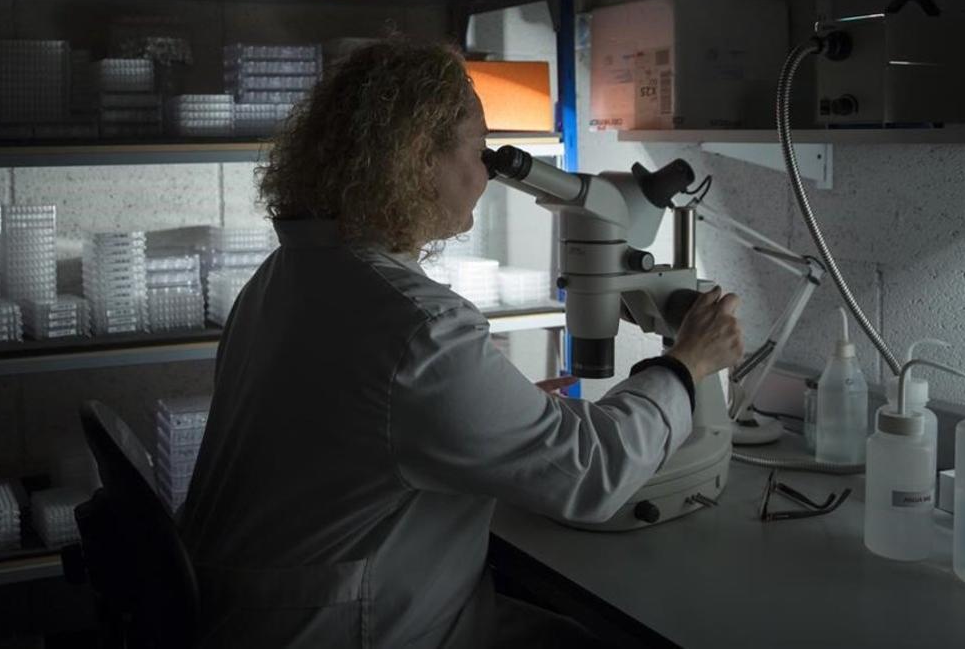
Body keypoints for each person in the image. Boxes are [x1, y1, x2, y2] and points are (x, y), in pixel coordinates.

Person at [178, 38, 743, 648]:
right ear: (419, 159)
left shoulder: (289, 275)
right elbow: (592, 474)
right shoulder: (415, 328)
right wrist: (687, 364)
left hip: (260, 611)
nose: (485, 175)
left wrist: (507, 415)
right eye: (477, 151)